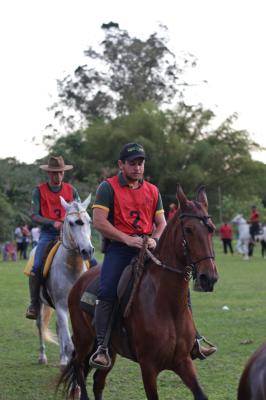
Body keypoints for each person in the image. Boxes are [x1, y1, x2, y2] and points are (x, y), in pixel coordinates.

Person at [90, 142, 216, 368]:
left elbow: (161, 223)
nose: (137, 168)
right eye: (132, 164)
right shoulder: (107, 188)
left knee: (180, 281)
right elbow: (99, 222)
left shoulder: (152, 190)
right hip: (120, 248)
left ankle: (194, 338)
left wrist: (155, 239)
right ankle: (102, 346)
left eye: (140, 163)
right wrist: (127, 238)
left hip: (149, 247)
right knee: (107, 289)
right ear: (121, 165)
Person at [25, 155, 81, 320]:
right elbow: (33, 215)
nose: (58, 176)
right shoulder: (39, 190)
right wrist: (52, 223)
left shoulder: (72, 190)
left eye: (61, 173)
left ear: (64, 173)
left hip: (69, 234)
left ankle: (91, 299)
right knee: (36, 266)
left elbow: (79, 211)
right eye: (54, 173)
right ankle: (34, 304)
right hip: (48, 234)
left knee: (91, 262)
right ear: (48, 173)